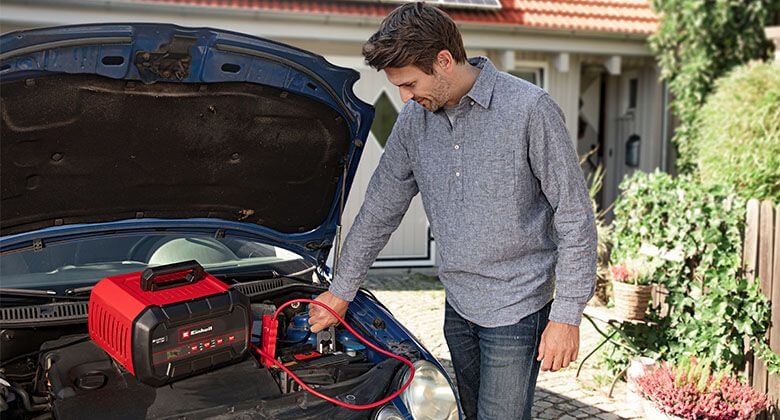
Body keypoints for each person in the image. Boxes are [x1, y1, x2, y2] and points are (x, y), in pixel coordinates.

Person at [308, 3, 597, 419]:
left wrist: (567, 315)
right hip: (458, 307)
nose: (404, 97)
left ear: (443, 61)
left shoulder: (530, 109)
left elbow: (574, 217)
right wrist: (340, 291)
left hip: (517, 306)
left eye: (409, 83)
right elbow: (378, 212)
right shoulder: (413, 122)